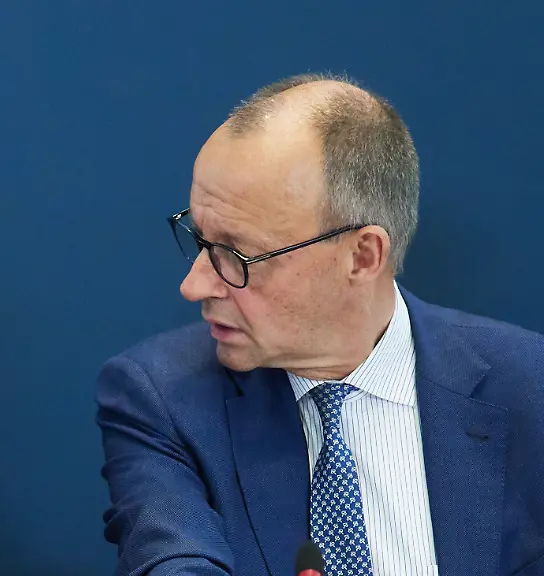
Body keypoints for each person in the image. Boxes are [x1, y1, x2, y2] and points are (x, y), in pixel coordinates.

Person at [95, 74, 544, 576]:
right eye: (200, 241)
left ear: (362, 256)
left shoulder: (530, 387)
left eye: (237, 254)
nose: (195, 285)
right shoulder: (162, 399)